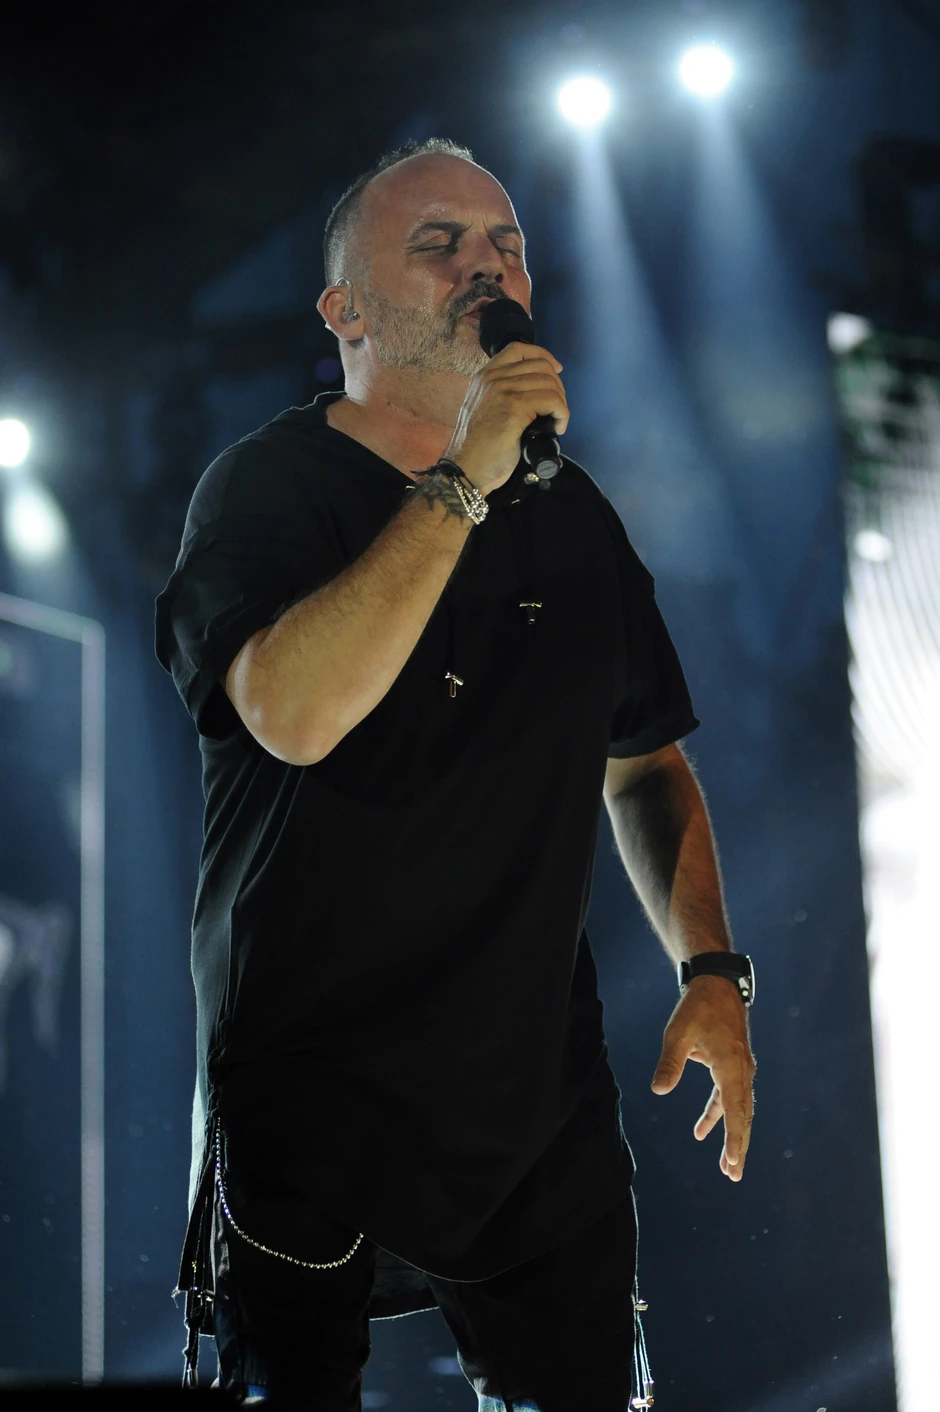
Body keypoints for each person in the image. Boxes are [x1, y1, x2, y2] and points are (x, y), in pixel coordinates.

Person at [155, 136, 756, 1412]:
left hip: (533, 1097)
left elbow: (645, 760)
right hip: (309, 1083)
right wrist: (464, 478)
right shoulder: (265, 488)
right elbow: (292, 713)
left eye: (507, 246)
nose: (486, 265)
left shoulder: (574, 515)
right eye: (438, 244)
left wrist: (711, 968)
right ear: (346, 310)